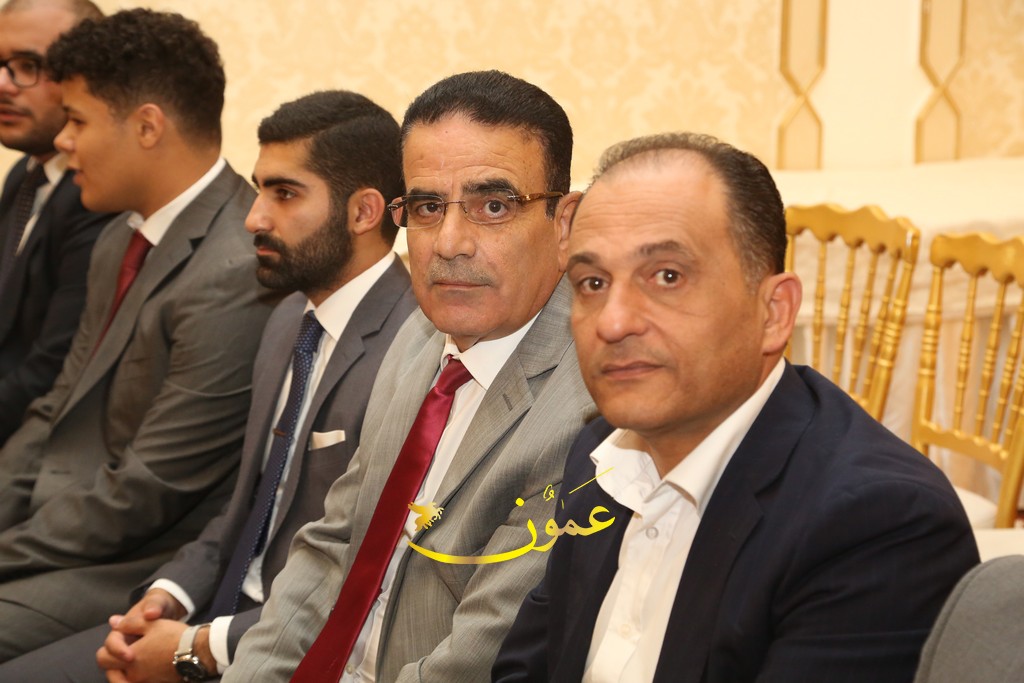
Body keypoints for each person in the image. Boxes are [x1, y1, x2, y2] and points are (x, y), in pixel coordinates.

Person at [493, 132, 980, 682]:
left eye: (667, 277)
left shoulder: (877, 525)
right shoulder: (599, 453)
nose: (613, 321)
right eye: (592, 282)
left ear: (774, 312)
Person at [0, 90, 418, 682]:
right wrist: (168, 594)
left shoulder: (413, 348)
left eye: (284, 194)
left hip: (286, 642)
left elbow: (366, 575)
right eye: (259, 189)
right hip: (211, 607)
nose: (254, 218)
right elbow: (244, 505)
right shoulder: (286, 320)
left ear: (364, 212)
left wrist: (197, 647)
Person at [224, 70, 596, 683]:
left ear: (564, 223)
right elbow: (333, 545)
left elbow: (476, 659)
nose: (449, 243)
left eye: (494, 206)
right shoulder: (418, 339)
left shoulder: (586, 405)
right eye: (427, 207)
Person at [0, 9, 274, 661]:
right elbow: (53, 411)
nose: (63, 140)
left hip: (137, 564)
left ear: (148, 126)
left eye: (77, 120)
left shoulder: (236, 268)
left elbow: (147, 490)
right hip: (55, 531)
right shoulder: (119, 237)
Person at [0, 0, 113, 446]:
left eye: (28, 66)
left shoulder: (99, 194)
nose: (3, 85)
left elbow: (50, 371)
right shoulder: (24, 174)